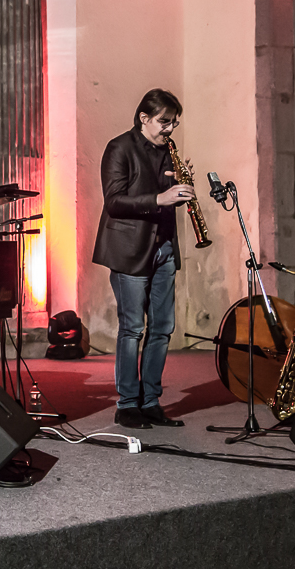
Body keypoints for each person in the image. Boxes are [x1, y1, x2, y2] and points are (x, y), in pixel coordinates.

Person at [92, 89, 193, 430]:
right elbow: (115, 201)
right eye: (164, 122)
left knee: (163, 328)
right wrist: (160, 197)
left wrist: (179, 189)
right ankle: (127, 404)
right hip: (129, 249)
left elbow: (164, 197)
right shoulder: (120, 148)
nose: (170, 129)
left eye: (174, 123)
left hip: (163, 248)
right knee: (133, 328)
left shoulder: (168, 152)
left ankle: (150, 401)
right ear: (144, 118)